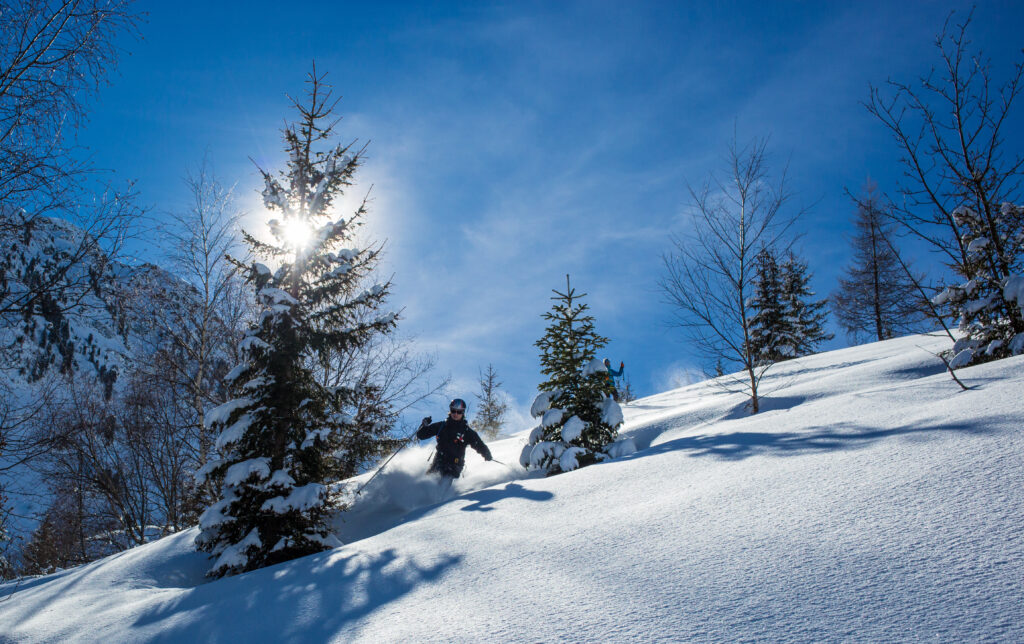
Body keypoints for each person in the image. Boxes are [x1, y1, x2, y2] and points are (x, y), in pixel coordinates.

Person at [417, 398, 492, 480]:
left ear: (463, 413)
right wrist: (424, 425)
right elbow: (421, 435)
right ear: (450, 410)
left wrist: (486, 453)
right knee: (427, 482)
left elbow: (478, 444)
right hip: (439, 461)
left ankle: (442, 491)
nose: (456, 414)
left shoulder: (467, 432)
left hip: (454, 465)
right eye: (453, 411)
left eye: (459, 412)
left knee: (443, 481)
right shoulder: (441, 426)